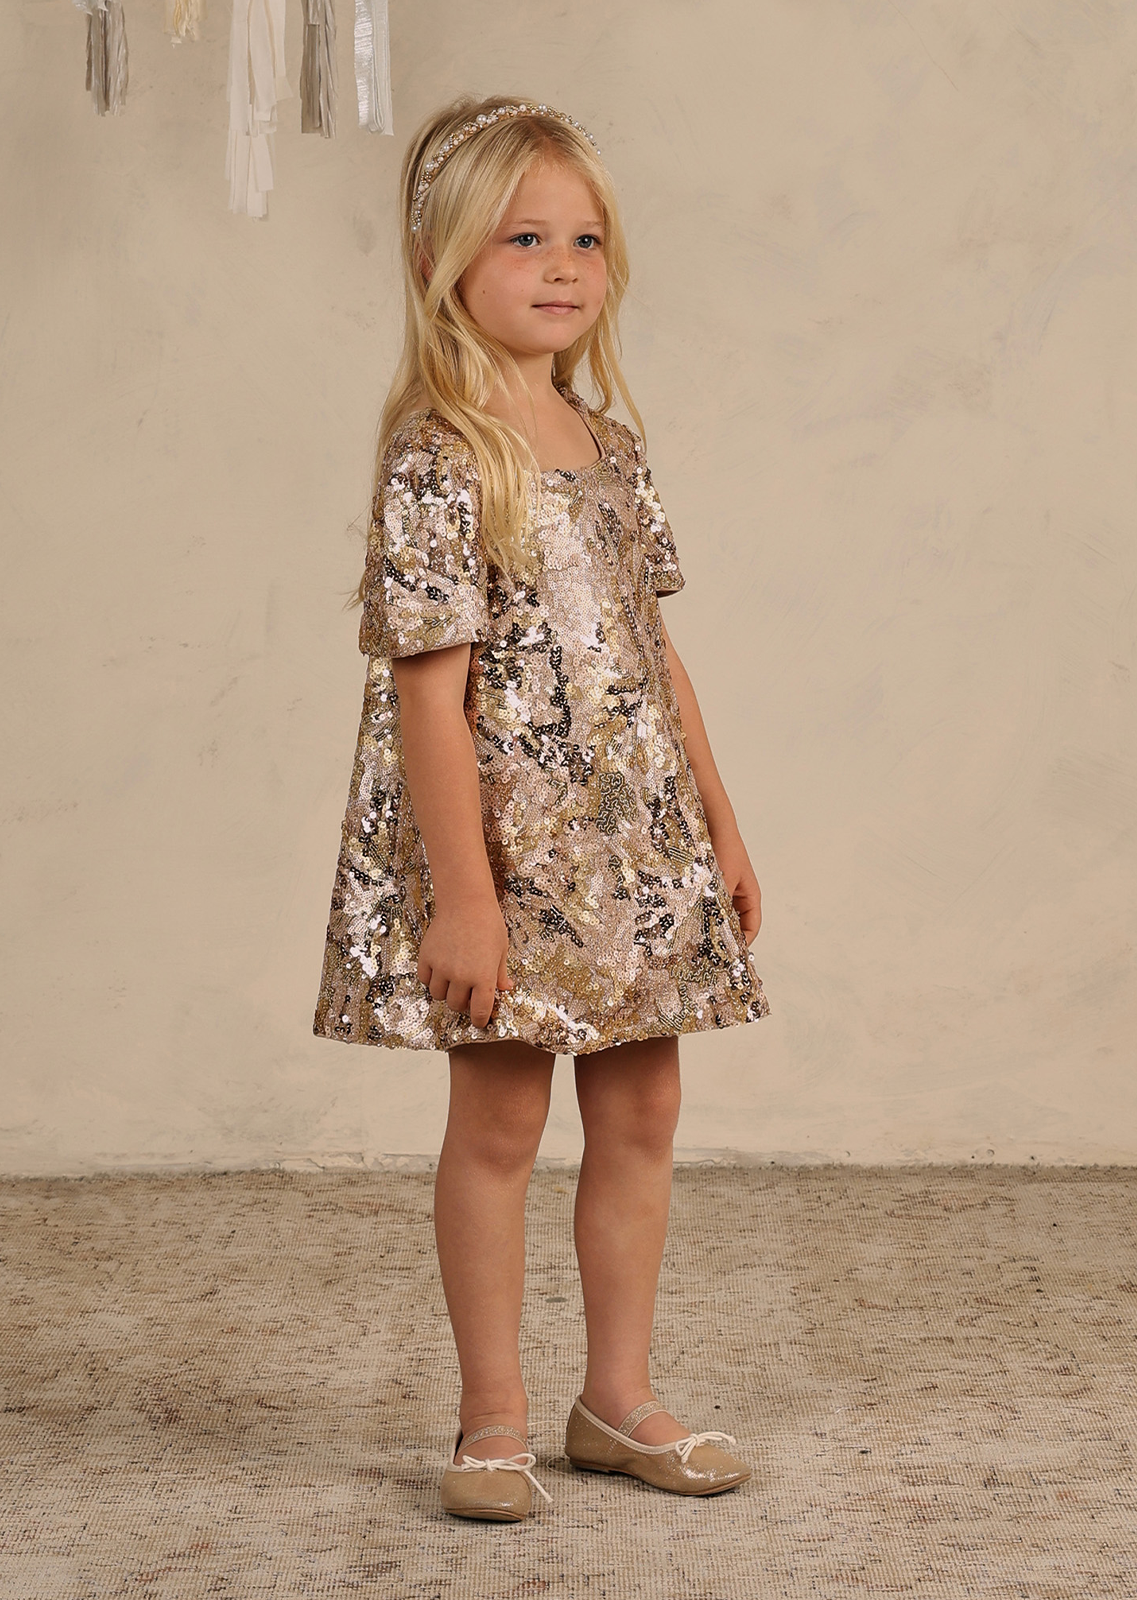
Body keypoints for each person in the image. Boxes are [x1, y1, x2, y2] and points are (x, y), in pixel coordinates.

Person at [313, 93, 771, 1522]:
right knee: (502, 1124)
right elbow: (426, 695)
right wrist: (464, 894)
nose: (563, 266)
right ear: (443, 260)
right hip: (510, 857)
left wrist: (721, 825)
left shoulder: (608, 444)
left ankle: (614, 1397)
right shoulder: (440, 454)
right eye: (524, 239)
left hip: (637, 848)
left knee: (644, 1108)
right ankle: (493, 1417)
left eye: (585, 239)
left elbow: (654, 652)